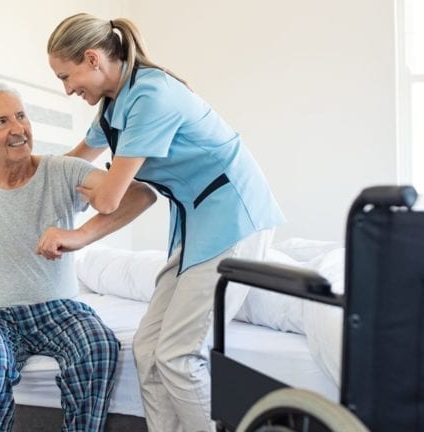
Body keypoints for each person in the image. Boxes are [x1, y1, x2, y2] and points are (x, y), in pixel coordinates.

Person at [47, 13, 286, 432]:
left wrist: (77, 228)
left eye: (67, 77)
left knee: (178, 355)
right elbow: (74, 161)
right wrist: (21, 175)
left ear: (92, 59)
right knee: (146, 348)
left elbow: (109, 198)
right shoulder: (113, 105)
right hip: (197, 224)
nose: (67, 89)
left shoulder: (151, 96)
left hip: (234, 217)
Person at [0, 82, 157, 432]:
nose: (18, 129)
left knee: (99, 347)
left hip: (57, 308)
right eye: (1, 122)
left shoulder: (63, 170)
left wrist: (79, 236)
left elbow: (140, 196)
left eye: (21, 116)